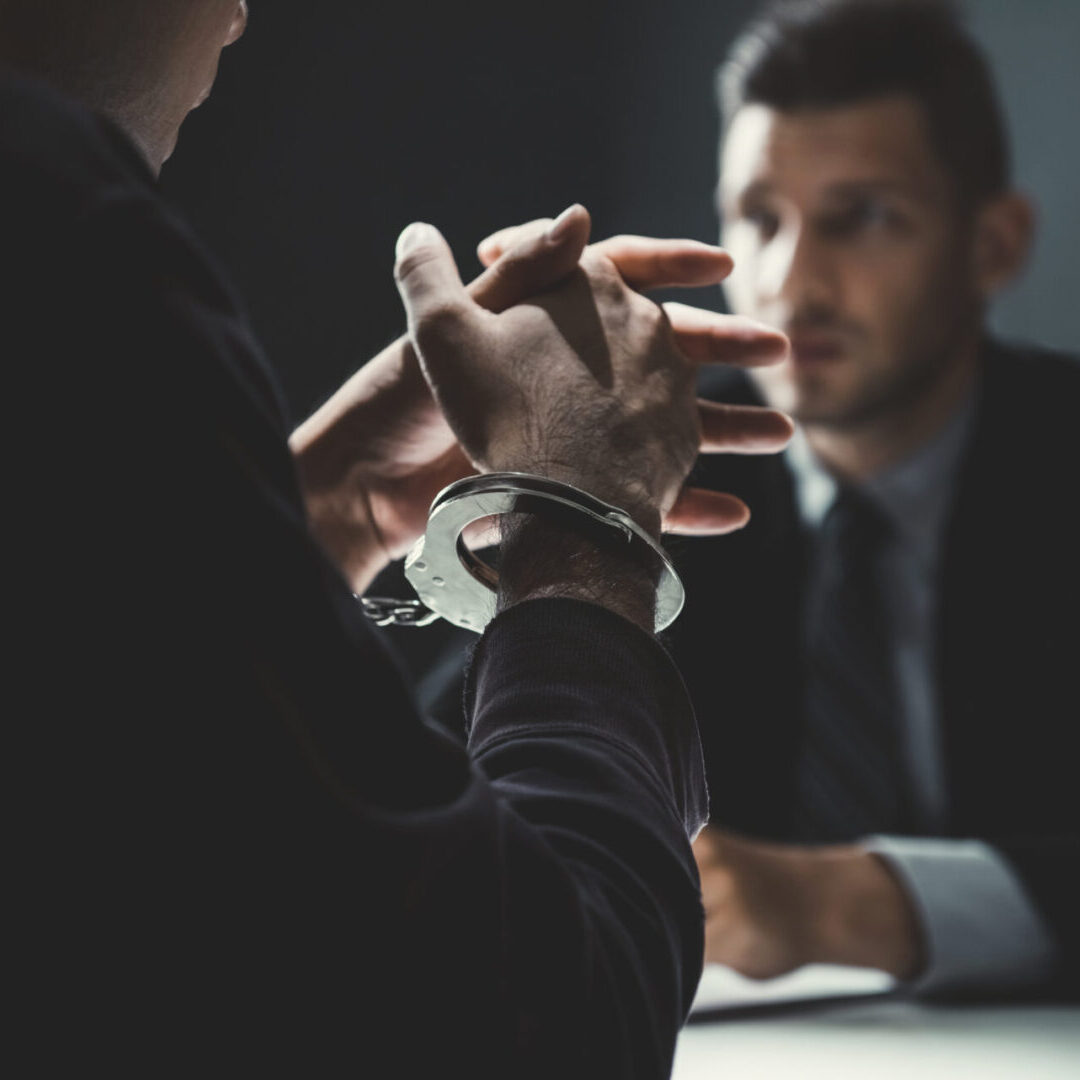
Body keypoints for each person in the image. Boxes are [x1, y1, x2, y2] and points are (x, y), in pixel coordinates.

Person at [1, 1, 795, 1074]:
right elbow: (557, 1032)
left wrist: (329, 506)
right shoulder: (62, 225)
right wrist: (583, 518)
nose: (237, 18)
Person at [463, 0, 1080, 999]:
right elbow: (436, 777)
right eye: (760, 218)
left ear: (995, 245)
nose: (793, 281)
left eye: (864, 217)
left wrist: (854, 903)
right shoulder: (651, 476)